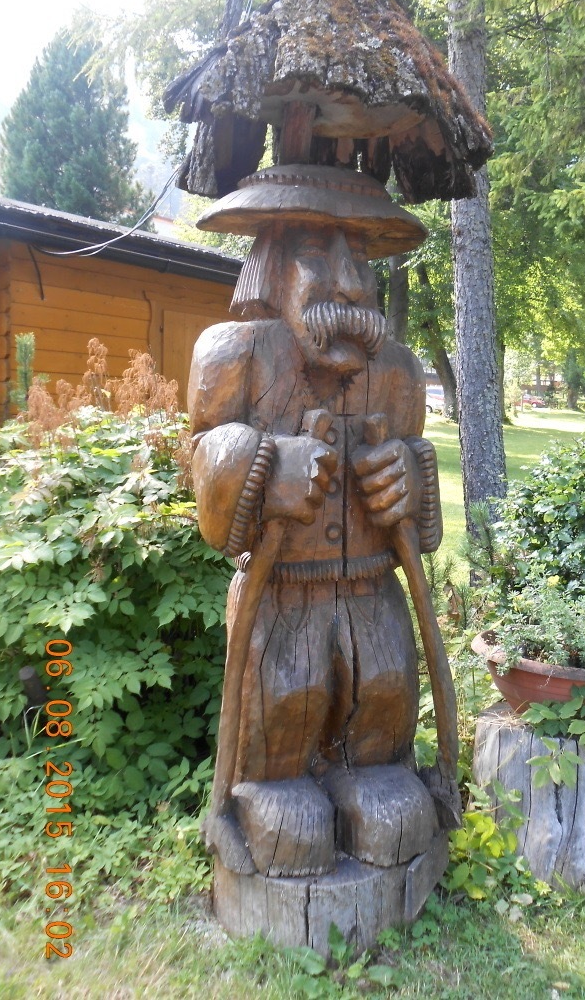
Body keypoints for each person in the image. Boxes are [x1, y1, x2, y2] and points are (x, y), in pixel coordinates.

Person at [188, 165, 443, 877]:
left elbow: (424, 518)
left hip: (372, 591)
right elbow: (203, 459)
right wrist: (263, 465)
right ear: (268, 263)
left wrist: (411, 476)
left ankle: (373, 769)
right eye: (313, 253)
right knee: (284, 701)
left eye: (358, 257)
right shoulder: (234, 352)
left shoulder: (397, 371)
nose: (350, 285)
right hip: (281, 599)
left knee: (385, 689)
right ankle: (265, 788)